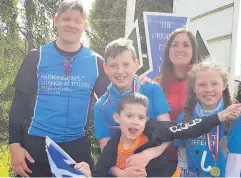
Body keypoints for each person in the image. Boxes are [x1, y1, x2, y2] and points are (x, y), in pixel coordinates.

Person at [8, 0, 110, 177]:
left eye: (78, 21)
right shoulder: (36, 56)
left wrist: (140, 83)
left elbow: (113, 102)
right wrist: (14, 145)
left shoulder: (97, 62)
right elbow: (19, 104)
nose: (72, 25)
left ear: (85, 25)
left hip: (77, 152)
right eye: (66, 19)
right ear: (56, 20)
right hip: (35, 149)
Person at [78, 93, 241, 177]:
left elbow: (188, 128)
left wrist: (220, 116)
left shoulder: (155, 130)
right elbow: (100, 173)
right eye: (129, 116)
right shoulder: (111, 149)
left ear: (146, 119)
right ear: (117, 118)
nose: (135, 122)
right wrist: (87, 172)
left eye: (140, 117)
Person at [94, 38, 173, 177]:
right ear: (105, 68)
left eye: (126, 64)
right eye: (113, 65)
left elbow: (169, 132)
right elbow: (105, 151)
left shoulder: (151, 89)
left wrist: (147, 155)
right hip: (123, 171)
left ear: (136, 65)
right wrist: (120, 173)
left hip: (155, 167)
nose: (120, 71)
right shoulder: (101, 106)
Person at [175, 60, 241, 177]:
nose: (208, 89)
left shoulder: (235, 118)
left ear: (224, 85)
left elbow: (235, 158)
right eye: (202, 84)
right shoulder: (183, 118)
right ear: (194, 88)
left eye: (214, 83)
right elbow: (182, 155)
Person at [155, 27, 202, 166]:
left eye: (186, 45)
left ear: (194, 50)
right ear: (168, 50)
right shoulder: (156, 84)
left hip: (196, 159)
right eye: (174, 44)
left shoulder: (203, 81)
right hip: (161, 159)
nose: (179, 49)